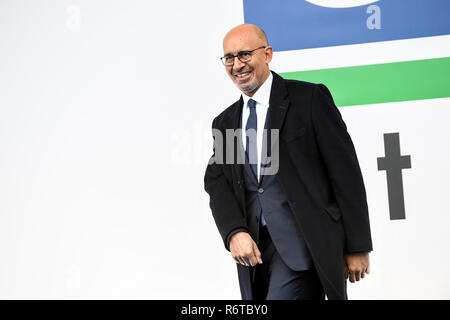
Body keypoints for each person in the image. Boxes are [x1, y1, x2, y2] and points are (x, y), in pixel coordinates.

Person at [204, 24, 372, 300]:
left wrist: (357, 245)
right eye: (229, 58)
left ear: (267, 54)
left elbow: (345, 174)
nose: (237, 65)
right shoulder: (225, 123)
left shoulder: (309, 99)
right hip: (254, 256)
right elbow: (217, 182)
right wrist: (234, 231)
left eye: (245, 54)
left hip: (306, 247)